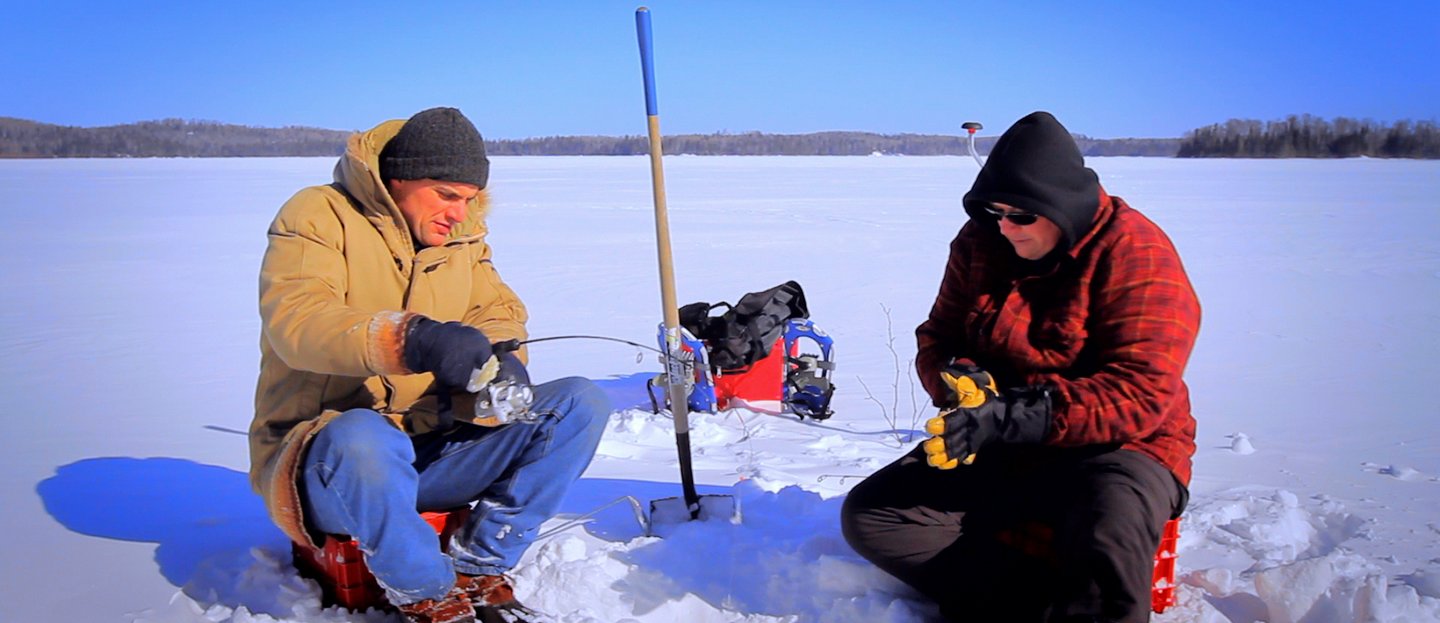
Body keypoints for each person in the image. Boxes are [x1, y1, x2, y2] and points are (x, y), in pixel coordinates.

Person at [249, 107, 612, 623]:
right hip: (333, 465)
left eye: (469, 199)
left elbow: (497, 311)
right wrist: (410, 340)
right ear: (398, 180)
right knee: (363, 435)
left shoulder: (463, 235)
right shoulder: (316, 216)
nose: (459, 213)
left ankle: (479, 565)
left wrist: (504, 361)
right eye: (446, 195)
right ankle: (427, 593)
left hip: (430, 450)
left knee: (580, 401)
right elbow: (298, 321)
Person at [841, 111, 1200, 622]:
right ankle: (1032, 603)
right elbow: (937, 335)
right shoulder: (980, 241)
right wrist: (959, 379)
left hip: (1122, 447)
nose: (1006, 227)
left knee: (1107, 532)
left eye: (1021, 216)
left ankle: (1091, 598)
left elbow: (1140, 395)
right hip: (1004, 438)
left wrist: (1015, 415)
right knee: (875, 514)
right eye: (995, 212)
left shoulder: (1135, 252)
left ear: (1062, 205)